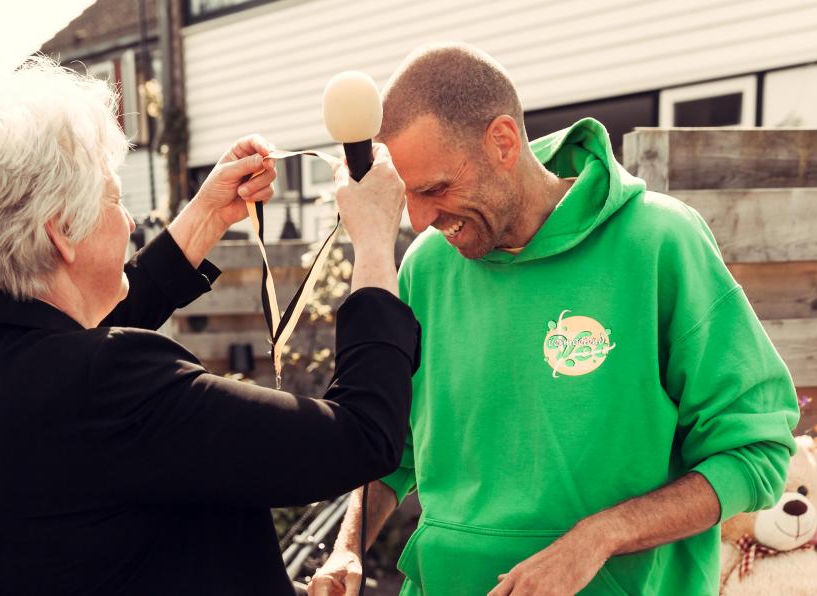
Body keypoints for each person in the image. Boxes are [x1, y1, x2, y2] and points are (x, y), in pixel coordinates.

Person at [0, 57, 421, 596]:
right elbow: (360, 435)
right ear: (62, 232)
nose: (128, 221)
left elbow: (70, 362)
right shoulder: (112, 380)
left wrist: (207, 216)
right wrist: (376, 243)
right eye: (114, 199)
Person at [309, 43, 799, 596]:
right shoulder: (425, 267)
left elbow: (754, 452)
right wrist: (346, 548)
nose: (420, 218)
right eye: (409, 198)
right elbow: (390, 448)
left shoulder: (660, 243)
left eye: (436, 189)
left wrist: (597, 539)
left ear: (502, 142)